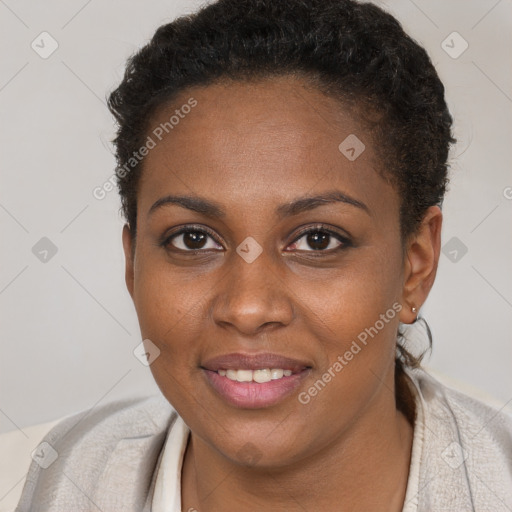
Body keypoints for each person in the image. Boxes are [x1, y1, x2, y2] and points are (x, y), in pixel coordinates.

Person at [16, 0, 512, 510]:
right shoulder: (41, 480)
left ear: (416, 264)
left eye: (318, 240)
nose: (248, 308)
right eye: (193, 239)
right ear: (133, 264)